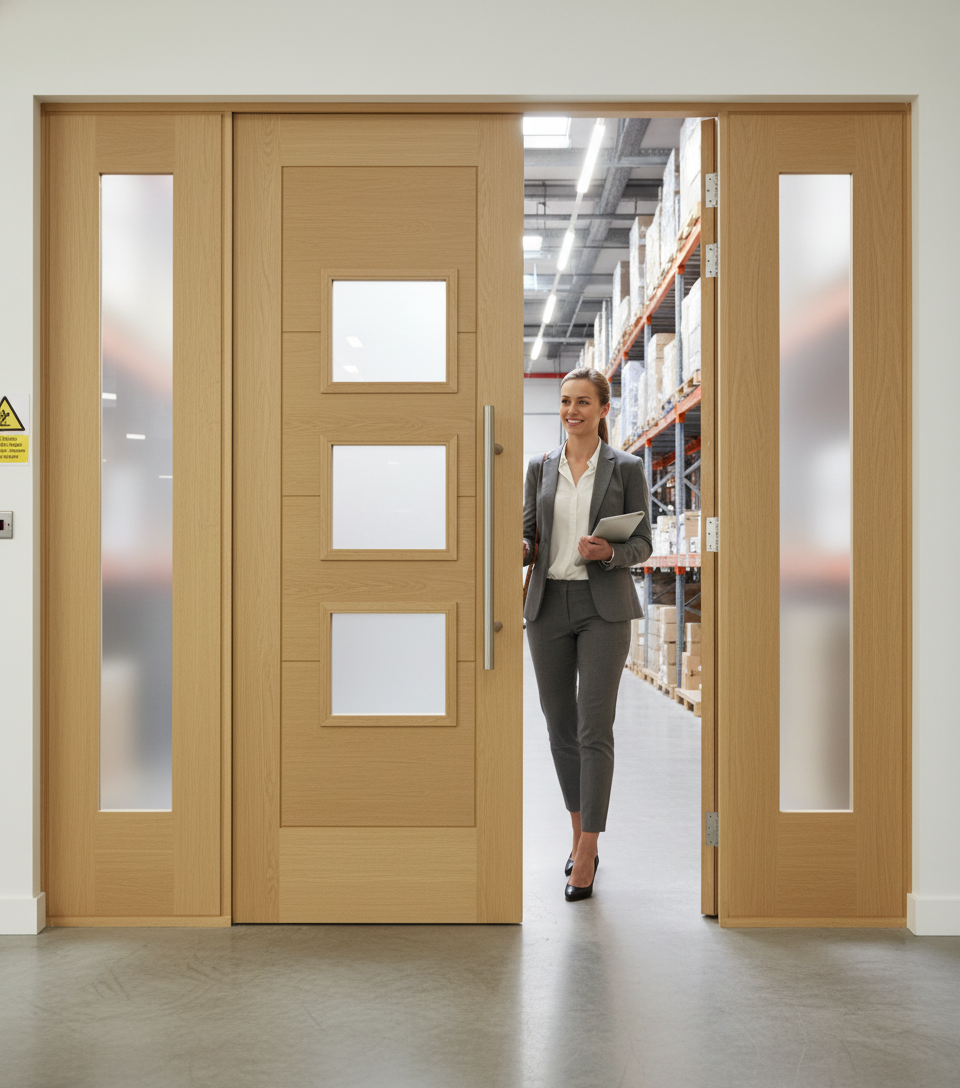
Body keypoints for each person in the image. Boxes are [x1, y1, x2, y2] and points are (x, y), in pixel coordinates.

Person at [523, 367, 653, 901]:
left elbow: (642, 544)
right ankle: (580, 836)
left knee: (594, 726)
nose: (572, 411)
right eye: (564, 402)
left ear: (603, 409)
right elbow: (531, 534)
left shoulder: (627, 468)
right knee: (560, 727)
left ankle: (587, 851)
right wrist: (519, 550)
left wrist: (611, 553)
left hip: (604, 607)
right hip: (548, 604)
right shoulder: (540, 467)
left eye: (583, 402)